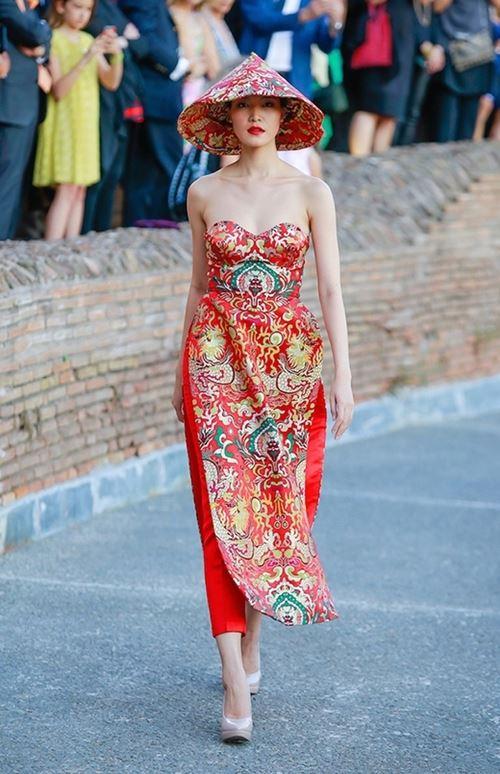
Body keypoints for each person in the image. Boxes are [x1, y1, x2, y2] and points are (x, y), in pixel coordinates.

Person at [172, 53, 354, 743]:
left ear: (284, 117)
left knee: (278, 509)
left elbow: (330, 288)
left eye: (268, 105)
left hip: (288, 370)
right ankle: (231, 678)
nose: (255, 115)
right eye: (243, 105)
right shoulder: (203, 193)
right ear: (226, 117)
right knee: (220, 514)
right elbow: (197, 288)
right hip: (213, 364)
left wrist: (343, 375)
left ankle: (252, 638)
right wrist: (177, 374)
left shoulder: (312, 192)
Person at [32, 0, 123, 239]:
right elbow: (59, 90)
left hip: (85, 124)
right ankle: (53, 246)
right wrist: (86, 57)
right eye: (77, 7)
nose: (83, 14)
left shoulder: (86, 39)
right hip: (64, 123)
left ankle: (71, 246)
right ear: (61, 6)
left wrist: (117, 55)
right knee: (66, 188)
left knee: (80, 189)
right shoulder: (53, 38)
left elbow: (111, 82)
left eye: (88, 9)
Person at [81, 0, 148, 233]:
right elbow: (99, 34)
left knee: (113, 173)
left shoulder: (115, 8)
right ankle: (86, 232)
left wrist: (122, 40)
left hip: (123, 101)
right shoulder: (92, 8)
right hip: (101, 100)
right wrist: (125, 37)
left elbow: (142, 45)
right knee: (99, 171)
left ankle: (101, 233)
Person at [0, 0, 52, 240]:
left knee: (14, 182)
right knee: (6, 181)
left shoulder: (30, 9)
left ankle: (7, 241)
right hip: (10, 105)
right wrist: (40, 35)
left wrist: (40, 45)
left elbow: (44, 42)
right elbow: (35, 34)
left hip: (26, 104)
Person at [342, 0, 420, 156]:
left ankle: (378, 162)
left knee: (390, 113)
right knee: (368, 110)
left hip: (399, 45)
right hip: (375, 48)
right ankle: (358, 161)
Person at [429, 0, 494, 142]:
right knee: (446, 123)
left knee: (468, 125)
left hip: (479, 55)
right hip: (453, 52)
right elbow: (436, 7)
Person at [168, 0, 219, 106]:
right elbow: (190, 63)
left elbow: (214, 67)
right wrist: (197, 66)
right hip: (176, 91)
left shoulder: (199, 18)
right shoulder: (169, 14)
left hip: (198, 89)